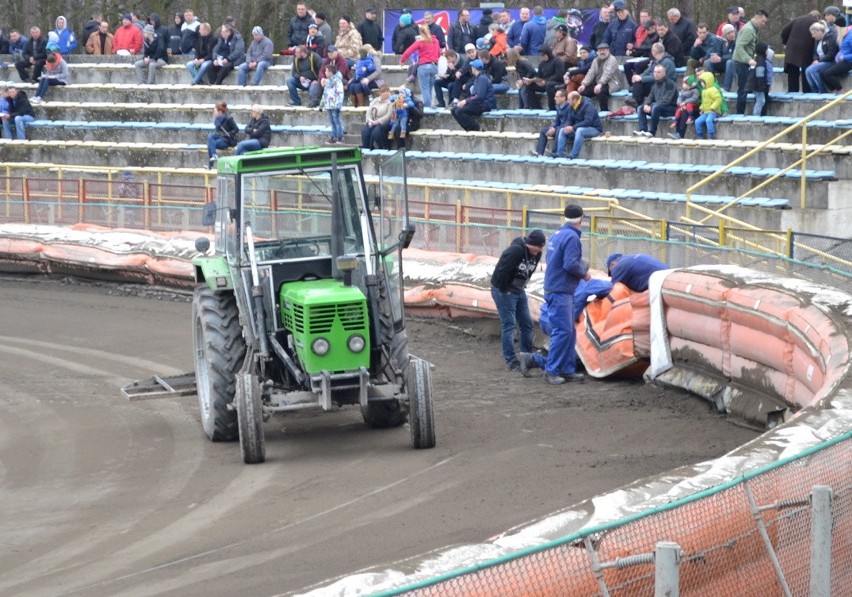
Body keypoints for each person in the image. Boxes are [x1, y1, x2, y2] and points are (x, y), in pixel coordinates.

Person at [518, 204, 590, 385]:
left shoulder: (557, 235)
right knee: (563, 331)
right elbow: (570, 264)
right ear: (581, 219)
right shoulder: (572, 237)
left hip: (556, 287)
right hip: (561, 290)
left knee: (569, 331)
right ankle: (551, 369)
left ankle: (566, 369)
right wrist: (584, 273)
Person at [490, 229, 546, 371]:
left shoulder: (536, 253)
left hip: (519, 290)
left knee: (527, 324)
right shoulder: (515, 251)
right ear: (529, 243)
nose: (539, 250)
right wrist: (504, 290)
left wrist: (521, 286)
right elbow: (502, 270)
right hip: (505, 291)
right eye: (538, 246)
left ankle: (527, 358)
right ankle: (511, 362)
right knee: (509, 325)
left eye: (541, 247)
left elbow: (529, 271)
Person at [733, 10, 769, 114]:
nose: (763, 24)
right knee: (743, 90)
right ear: (757, 17)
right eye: (762, 21)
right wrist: (749, 60)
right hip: (741, 62)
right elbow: (739, 46)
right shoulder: (749, 29)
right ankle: (739, 114)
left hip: (744, 62)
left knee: (745, 88)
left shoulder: (753, 28)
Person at [553, 90, 603, 159]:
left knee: (580, 130)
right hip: (579, 128)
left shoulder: (588, 105)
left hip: (594, 129)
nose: (567, 102)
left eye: (569, 100)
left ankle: (574, 154)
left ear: (575, 100)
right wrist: (567, 127)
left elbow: (588, 121)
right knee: (562, 130)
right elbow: (569, 120)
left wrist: (573, 128)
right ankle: (560, 153)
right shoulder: (571, 106)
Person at [400, 24, 440, 109]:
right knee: (430, 87)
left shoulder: (420, 41)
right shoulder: (436, 41)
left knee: (425, 88)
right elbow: (438, 53)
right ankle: (431, 105)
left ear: (420, 32)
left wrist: (402, 60)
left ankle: (427, 107)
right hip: (434, 66)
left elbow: (408, 51)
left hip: (424, 66)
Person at [781, 11, 821, 93]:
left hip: (791, 50)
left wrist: (786, 43)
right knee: (806, 75)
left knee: (792, 77)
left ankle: (792, 94)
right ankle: (807, 94)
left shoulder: (796, 19)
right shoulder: (816, 23)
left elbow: (784, 32)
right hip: (807, 51)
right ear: (817, 17)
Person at [578, 42, 625, 111]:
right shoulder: (596, 60)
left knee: (600, 92)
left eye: (604, 50)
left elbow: (607, 74)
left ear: (608, 51)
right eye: (600, 50)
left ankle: (604, 111)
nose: (602, 52)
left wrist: (600, 84)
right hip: (599, 83)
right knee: (583, 92)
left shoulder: (612, 59)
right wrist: (584, 84)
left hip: (612, 83)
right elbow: (591, 73)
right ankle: (588, 111)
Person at [451, 59, 495, 131]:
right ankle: (469, 129)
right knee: (454, 110)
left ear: (474, 68)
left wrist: (466, 101)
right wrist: (465, 102)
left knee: (459, 111)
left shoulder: (482, 79)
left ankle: (477, 128)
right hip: (478, 103)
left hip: (484, 105)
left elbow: (479, 97)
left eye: (472, 67)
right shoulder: (478, 78)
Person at [634, 64, 677, 137]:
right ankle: (643, 130)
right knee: (640, 108)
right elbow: (650, 97)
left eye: (658, 72)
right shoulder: (655, 84)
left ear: (664, 73)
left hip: (670, 108)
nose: (656, 74)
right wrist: (646, 104)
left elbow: (666, 101)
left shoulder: (670, 84)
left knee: (656, 107)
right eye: (655, 72)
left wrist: (652, 106)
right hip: (657, 107)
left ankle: (652, 132)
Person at [531, 88, 570, 156]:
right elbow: (557, 121)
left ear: (563, 98)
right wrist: (552, 127)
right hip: (558, 128)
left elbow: (569, 122)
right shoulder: (558, 107)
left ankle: (554, 152)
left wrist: (555, 129)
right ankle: (539, 152)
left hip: (566, 129)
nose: (554, 98)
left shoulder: (569, 108)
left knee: (559, 130)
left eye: (557, 97)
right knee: (544, 130)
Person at [819, 19, 852, 93]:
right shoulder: (845, 35)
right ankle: (833, 91)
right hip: (842, 60)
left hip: (849, 62)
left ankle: (840, 90)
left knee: (827, 73)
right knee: (821, 72)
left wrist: (844, 57)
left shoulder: (850, 36)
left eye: (836, 27)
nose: (835, 29)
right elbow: (844, 49)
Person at [805, 22, 839, 94]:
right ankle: (814, 91)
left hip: (831, 61)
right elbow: (815, 53)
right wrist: (816, 59)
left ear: (819, 32)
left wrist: (819, 61)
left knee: (813, 70)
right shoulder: (817, 40)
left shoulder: (831, 38)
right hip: (821, 61)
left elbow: (831, 54)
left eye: (814, 33)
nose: (812, 36)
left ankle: (822, 91)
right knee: (807, 71)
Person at [207, 102, 240, 168]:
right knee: (210, 137)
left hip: (226, 140)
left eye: (215, 111)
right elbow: (218, 131)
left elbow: (236, 129)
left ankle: (210, 165)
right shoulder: (217, 120)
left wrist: (229, 133)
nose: (214, 113)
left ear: (220, 112)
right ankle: (214, 156)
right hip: (219, 136)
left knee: (210, 145)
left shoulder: (229, 119)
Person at [361, 84, 393, 149]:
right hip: (373, 121)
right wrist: (369, 120)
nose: (385, 93)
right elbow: (369, 111)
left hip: (385, 122)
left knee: (376, 131)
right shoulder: (375, 100)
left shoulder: (392, 101)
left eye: (387, 91)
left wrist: (378, 121)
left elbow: (389, 115)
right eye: (383, 92)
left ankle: (383, 147)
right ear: (380, 93)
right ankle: (367, 147)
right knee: (365, 131)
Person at [694, 71, 723, 140]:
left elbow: (718, 99)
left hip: (713, 112)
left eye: (702, 82)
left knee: (708, 120)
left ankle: (711, 135)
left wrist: (713, 107)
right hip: (706, 112)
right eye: (701, 82)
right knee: (697, 121)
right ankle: (699, 135)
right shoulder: (704, 91)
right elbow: (704, 102)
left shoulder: (713, 90)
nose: (701, 84)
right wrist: (701, 108)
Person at [321, 64, 346, 143]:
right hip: (329, 105)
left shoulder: (337, 81)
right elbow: (325, 94)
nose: (325, 72)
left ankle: (340, 137)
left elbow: (340, 93)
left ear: (330, 72)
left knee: (337, 121)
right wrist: (321, 105)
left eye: (326, 71)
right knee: (332, 121)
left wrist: (339, 104)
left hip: (335, 105)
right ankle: (334, 136)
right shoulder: (327, 81)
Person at [747, 41, 772, 115]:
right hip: (757, 85)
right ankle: (755, 116)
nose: (768, 51)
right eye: (767, 50)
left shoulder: (757, 58)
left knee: (761, 100)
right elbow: (760, 74)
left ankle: (756, 115)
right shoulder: (761, 60)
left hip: (754, 84)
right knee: (761, 101)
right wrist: (762, 86)